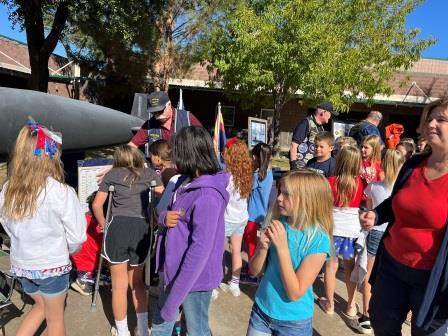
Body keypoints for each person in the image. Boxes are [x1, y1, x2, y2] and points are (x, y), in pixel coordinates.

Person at [359, 99, 448, 336]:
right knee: (382, 324)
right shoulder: (414, 165)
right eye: (430, 118)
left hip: (432, 279)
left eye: (441, 119)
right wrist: (376, 214)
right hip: (392, 266)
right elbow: (396, 201)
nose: (432, 123)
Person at [0, 122, 86, 336]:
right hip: (52, 266)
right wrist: (66, 252)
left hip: (22, 266)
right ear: (50, 156)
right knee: (55, 319)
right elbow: (77, 236)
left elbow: (7, 226)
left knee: (40, 307)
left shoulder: (7, 190)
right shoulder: (61, 193)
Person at [151, 126, 230, 336]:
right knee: (162, 322)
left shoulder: (207, 196)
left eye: (177, 151)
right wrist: (163, 218)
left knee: (196, 329)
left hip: (194, 279)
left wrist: (176, 295)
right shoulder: (185, 182)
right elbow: (164, 211)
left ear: (188, 153)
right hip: (174, 271)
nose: (174, 157)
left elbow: (199, 251)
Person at [246, 170, 332, 336]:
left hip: (294, 323)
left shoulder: (318, 240)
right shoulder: (279, 223)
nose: (278, 198)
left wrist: (283, 247)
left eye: (287, 194)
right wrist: (262, 247)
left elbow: (295, 292)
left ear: (308, 199)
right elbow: (254, 271)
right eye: (280, 192)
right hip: (261, 311)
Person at [93, 145, 163, 336]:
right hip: (140, 229)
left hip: (117, 228)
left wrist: (104, 224)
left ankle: (122, 330)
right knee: (137, 283)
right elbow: (163, 197)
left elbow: (97, 204)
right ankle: (142, 329)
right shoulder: (150, 173)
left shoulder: (112, 175)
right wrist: (156, 220)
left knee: (118, 285)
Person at [356, 149, 405, 334]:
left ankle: (366, 315)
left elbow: (370, 212)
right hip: (393, 234)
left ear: (383, 163)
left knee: (369, 274)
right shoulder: (403, 188)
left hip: (376, 232)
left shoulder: (373, 187)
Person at [319, 146, 364, 317]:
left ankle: (329, 304)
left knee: (330, 266)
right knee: (350, 268)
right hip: (352, 231)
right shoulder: (360, 183)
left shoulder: (330, 182)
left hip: (332, 229)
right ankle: (351, 305)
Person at [218, 137, 253, 297]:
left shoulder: (225, 176)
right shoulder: (246, 175)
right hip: (241, 219)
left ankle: (214, 283)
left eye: (225, 149)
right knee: (236, 251)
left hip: (225, 220)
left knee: (217, 251)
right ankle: (234, 284)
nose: (222, 152)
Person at [242, 142, 273, 283]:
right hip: (260, 212)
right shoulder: (268, 172)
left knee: (251, 243)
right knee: (252, 241)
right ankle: (253, 268)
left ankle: (253, 273)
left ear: (255, 157)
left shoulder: (257, 174)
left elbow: (246, 188)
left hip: (252, 214)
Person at [129, 91, 202, 148]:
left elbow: (203, 140)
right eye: (153, 112)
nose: (157, 114)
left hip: (185, 164)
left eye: (160, 110)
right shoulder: (149, 125)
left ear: (169, 104)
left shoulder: (188, 118)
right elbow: (132, 145)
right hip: (160, 166)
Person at [70, 191, 108, 296]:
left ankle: (77, 274)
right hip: (88, 264)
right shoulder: (102, 227)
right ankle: (81, 280)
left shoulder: (82, 218)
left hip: (74, 258)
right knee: (106, 281)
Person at [290, 102, 338, 169]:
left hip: (312, 167)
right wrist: (293, 164)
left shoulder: (320, 127)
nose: (331, 117)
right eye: (330, 114)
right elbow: (293, 145)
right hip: (301, 168)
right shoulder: (305, 123)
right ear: (323, 113)